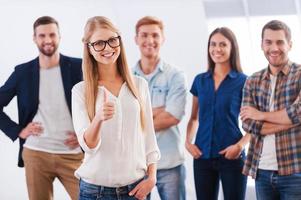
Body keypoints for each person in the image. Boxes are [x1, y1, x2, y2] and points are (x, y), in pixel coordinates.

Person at [71, 16, 160, 200]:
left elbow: (149, 139)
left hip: (136, 189)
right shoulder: (81, 91)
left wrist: (152, 178)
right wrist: (98, 118)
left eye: (112, 40)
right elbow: (88, 145)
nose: (108, 48)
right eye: (99, 43)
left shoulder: (139, 85)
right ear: (89, 48)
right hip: (95, 192)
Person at [0, 16, 83, 200]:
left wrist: (85, 134)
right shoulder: (22, 72)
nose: (47, 40)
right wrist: (18, 130)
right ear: (34, 38)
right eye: (42, 35)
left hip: (73, 155)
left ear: (59, 36)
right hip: (36, 154)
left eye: (52, 34)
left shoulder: (78, 67)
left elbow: (96, 102)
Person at [185, 27, 249, 200]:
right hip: (202, 156)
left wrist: (240, 146)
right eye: (213, 44)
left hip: (232, 156)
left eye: (222, 44)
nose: (217, 49)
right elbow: (193, 118)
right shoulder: (200, 80)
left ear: (232, 48)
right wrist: (188, 142)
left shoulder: (244, 81)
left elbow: (255, 124)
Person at [240, 20, 301, 200]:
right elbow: (247, 122)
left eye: (279, 42)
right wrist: (290, 122)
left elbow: (298, 112)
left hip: (295, 170)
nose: (274, 48)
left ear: (289, 44)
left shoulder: (299, 75)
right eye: (268, 42)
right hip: (262, 171)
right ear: (262, 45)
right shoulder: (253, 80)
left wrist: (261, 115)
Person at [133, 16, 187, 200]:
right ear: (136, 39)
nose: (150, 41)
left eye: (155, 35)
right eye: (144, 35)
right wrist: (158, 111)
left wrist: (138, 116)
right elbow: (121, 119)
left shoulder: (176, 76)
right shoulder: (126, 78)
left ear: (163, 39)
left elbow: (173, 116)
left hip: (170, 162)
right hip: (136, 164)